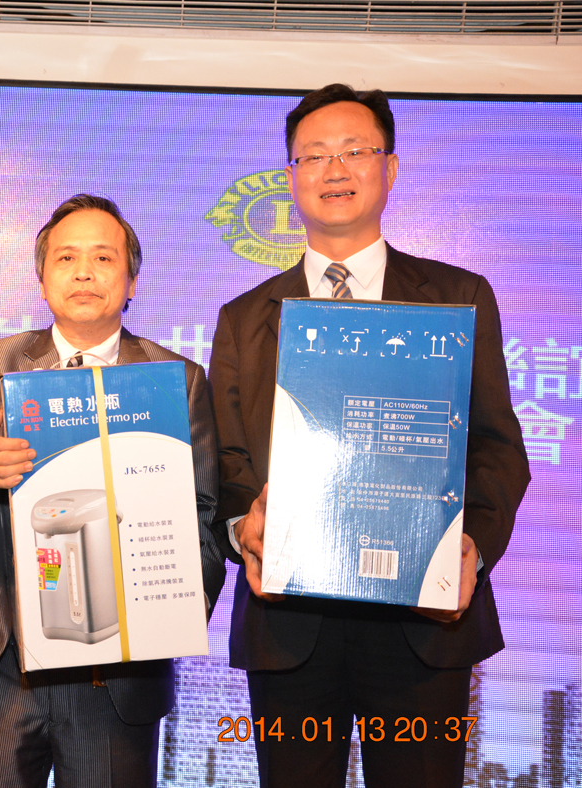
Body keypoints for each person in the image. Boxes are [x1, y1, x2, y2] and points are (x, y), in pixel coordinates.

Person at [208, 84, 530, 788]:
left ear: (390, 168)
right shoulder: (243, 317)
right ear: (290, 176)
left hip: (424, 625)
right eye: (313, 155)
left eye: (355, 151)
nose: (334, 169)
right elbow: (227, 460)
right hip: (289, 624)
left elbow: (497, 447)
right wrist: (242, 530)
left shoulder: (459, 297)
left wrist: (472, 546)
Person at [0, 194, 226, 788]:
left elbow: (202, 515)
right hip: (2, 657)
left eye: (103, 258)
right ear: (42, 280)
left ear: (132, 281)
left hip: (119, 669)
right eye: (66, 258)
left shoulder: (177, 380)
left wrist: (172, 608)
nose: (85, 272)